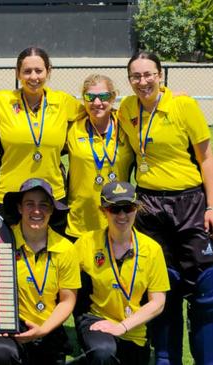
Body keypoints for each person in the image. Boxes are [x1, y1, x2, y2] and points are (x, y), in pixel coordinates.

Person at [117, 50, 213, 364]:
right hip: (147, 206)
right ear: (129, 80)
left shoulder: (183, 105)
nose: (142, 81)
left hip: (189, 202)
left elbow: (206, 159)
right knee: (162, 288)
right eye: (136, 76)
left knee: (204, 291)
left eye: (148, 74)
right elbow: (126, 158)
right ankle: (165, 359)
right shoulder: (127, 109)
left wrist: (211, 205)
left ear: (160, 75)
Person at [0, 47, 82, 230]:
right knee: (11, 254)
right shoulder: (1, 100)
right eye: (27, 71)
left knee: (51, 252)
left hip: (52, 194)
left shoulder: (63, 102)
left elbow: (95, 112)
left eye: (39, 70)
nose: (33, 77)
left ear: (48, 72)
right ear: (18, 73)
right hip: (9, 194)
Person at [0, 178, 81, 365]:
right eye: (30, 204)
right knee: (1, 354)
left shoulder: (66, 248)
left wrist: (43, 330)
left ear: (52, 210)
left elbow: (68, 300)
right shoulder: (1, 240)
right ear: (20, 208)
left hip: (49, 327)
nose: (37, 211)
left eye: (44, 205)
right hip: (10, 326)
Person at [74, 181, 169, 364]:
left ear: (137, 208)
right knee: (103, 352)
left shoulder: (152, 249)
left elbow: (158, 302)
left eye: (128, 208)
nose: (122, 215)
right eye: (115, 209)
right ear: (103, 211)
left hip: (134, 329)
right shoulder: (85, 243)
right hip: (97, 319)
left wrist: (122, 327)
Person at [65, 74, 133, 240]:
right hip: (79, 222)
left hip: (119, 219)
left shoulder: (126, 124)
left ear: (113, 97)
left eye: (103, 96)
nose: (97, 103)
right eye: (90, 97)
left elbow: (149, 104)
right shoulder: (73, 127)